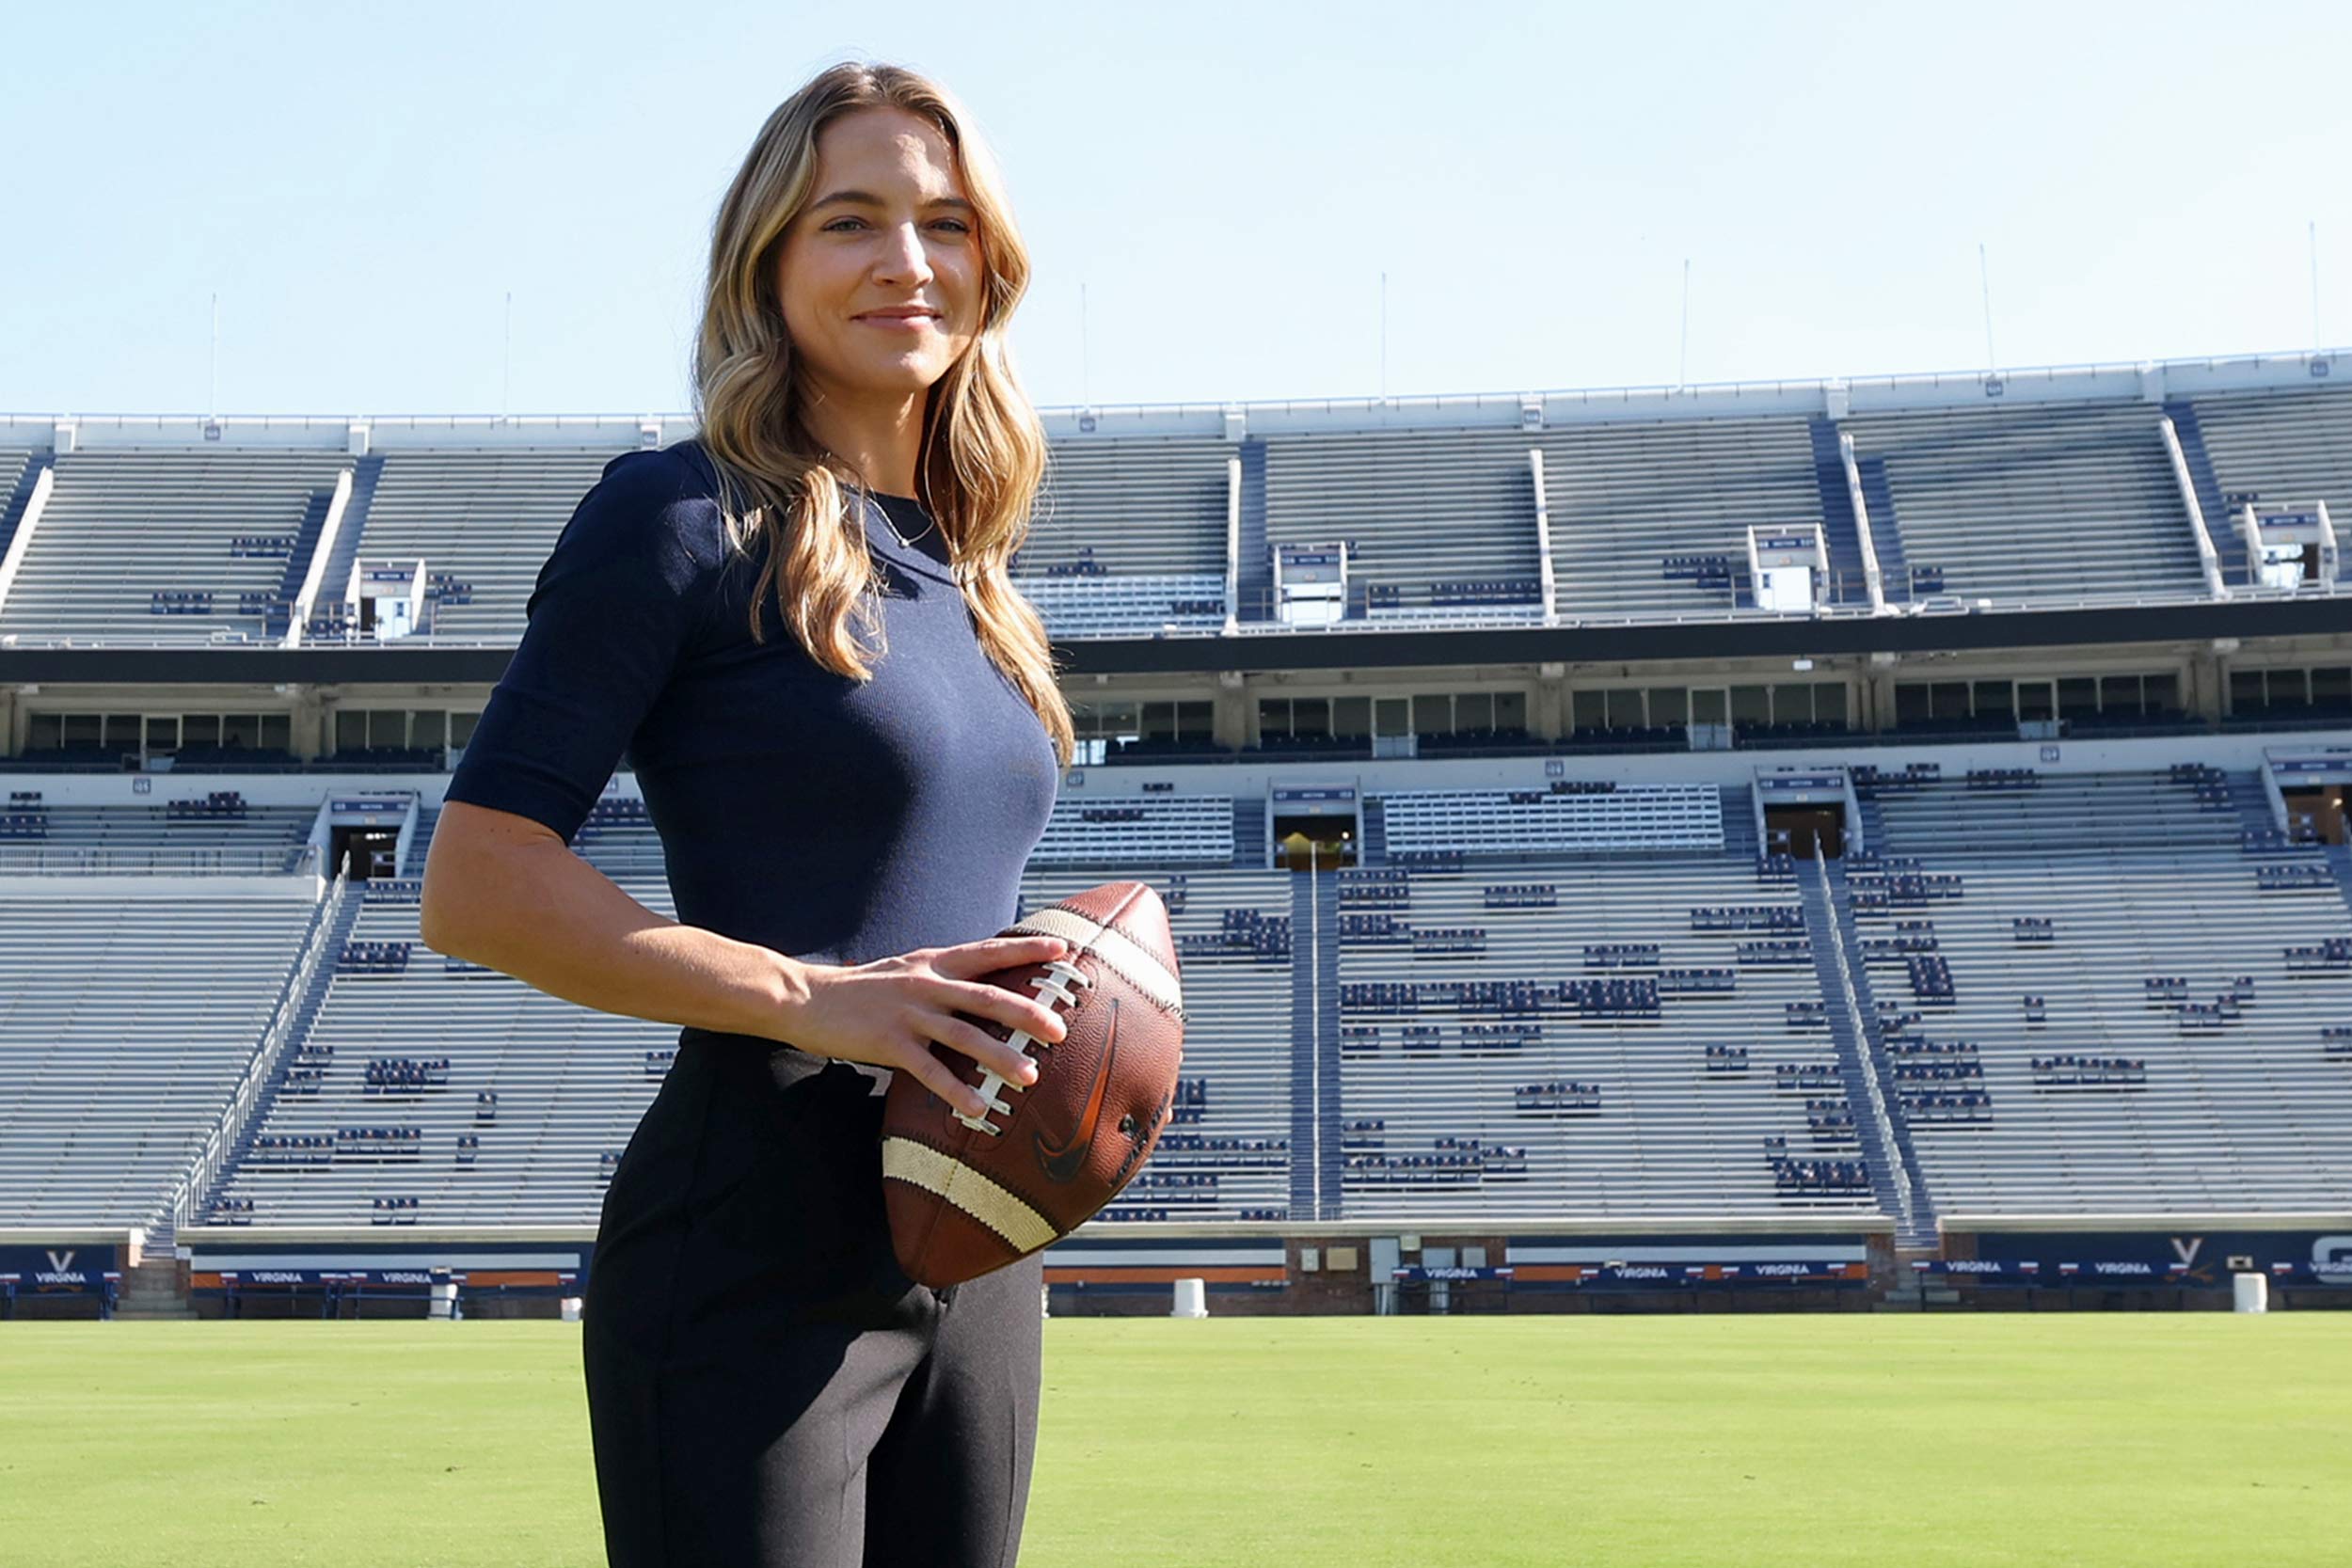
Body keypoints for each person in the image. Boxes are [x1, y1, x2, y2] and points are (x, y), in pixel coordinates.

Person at [420, 59, 1075, 1567]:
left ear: (991, 264)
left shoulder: (975, 580)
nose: (908, 262)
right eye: (851, 222)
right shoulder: (680, 519)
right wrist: (817, 999)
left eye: (945, 222)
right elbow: (478, 879)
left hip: (977, 1244)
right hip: (749, 1249)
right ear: (768, 266)